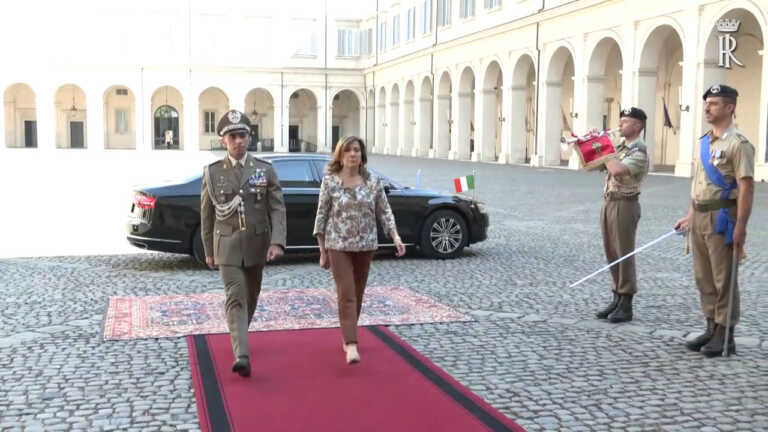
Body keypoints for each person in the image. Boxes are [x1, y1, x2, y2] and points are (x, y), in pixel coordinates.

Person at [200, 110, 287, 377]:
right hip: (226, 245)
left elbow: (277, 208)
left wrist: (277, 242)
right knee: (235, 296)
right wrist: (208, 251)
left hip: (257, 244)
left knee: (251, 295)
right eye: (233, 136)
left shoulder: (264, 169)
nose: (238, 141)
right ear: (223, 140)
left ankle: (240, 333)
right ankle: (242, 355)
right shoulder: (213, 172)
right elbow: (207, 214)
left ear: (249, 138)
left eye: (243, 135)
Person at [674, 84, 754, 357]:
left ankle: (725, 333)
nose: (707, 108)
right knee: (703, 277)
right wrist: (690, 214)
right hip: (699, 215)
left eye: (714, 103)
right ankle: (710, 326)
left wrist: (741, 226)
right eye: (707, 103)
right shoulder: (704, 142)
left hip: (722, 218)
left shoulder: (738, 144)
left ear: (730, 107)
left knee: (723, 277)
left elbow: (746, 187)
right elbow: (700, 184)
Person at [313, 136, 406, 364]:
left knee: (358, 292)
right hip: (338, 245)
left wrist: (395, 236)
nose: (353, 154)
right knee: (346, 293)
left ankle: (348, 333)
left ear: (362, 155)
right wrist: (323, 251)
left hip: (366, 244)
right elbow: (321, 216)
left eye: (356, 150)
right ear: (340, 155)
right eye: (348, 150)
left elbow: (384, 211)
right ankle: (352, 344)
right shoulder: (330, 182)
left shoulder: (373, 181)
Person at [593, 107, 649, 323]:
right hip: (610, 201)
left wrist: (603, 148)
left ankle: (626, 302)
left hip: (625, 204)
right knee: (612, 252)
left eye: (625, 121)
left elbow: (617, 170)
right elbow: (594, 166)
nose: (619, 125)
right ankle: (616, 296)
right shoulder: (620, 147)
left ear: (638, 126)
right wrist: (590, 144)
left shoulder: (638, 151)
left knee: (623, 253)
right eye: (621, 121)